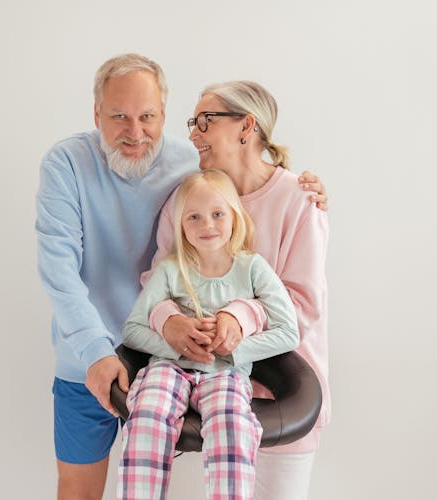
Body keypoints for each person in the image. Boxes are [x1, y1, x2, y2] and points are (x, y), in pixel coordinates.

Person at [35, 53, 328, 500]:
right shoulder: (80, 166)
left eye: (148, 116)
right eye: (119, 116)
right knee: (81, 489)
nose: (136, 132)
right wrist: (141, 331)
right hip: (102, 357)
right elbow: (72, 270)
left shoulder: (206, 173)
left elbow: (298, 301)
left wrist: (236, 319)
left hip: (211, 369)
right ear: (97, 114)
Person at [145, 80, 329, 500]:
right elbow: (158, 282)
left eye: (204, 121)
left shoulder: (300, 201)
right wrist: (172, 320)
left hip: (282, 399)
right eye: (193, 122)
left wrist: (236, 318)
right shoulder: (184, 199)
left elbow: (302, 305)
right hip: (204, 392)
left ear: (247, 126)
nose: (193, 133)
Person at [117, 169, 300, 500]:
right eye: (194, 217)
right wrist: (176, 346)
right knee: (147, 416)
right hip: (168, 369)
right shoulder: (171, 270)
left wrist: (234, 351)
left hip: (225, 373)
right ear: (181, 225)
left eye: (217, 214)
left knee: (232, 428)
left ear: (234, 217)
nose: (207, 225)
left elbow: (289, 333)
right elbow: (132, 330)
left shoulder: (252, 268)